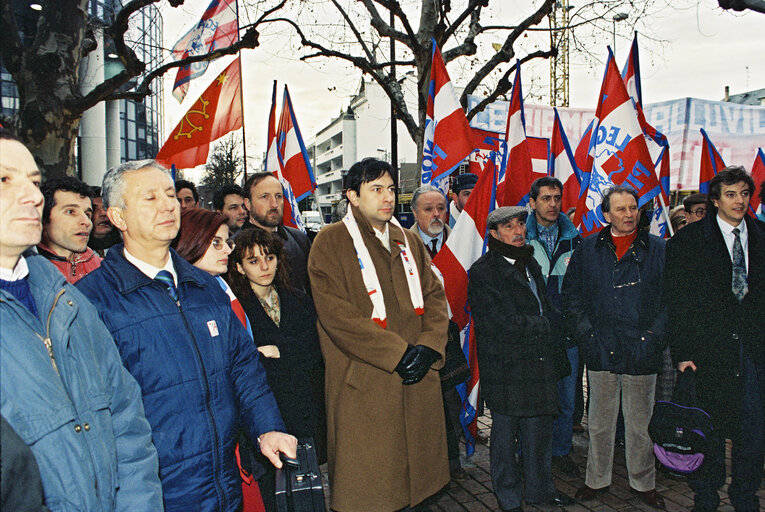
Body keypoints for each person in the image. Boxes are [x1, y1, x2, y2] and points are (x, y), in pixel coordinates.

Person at [76, 159, 296, 512]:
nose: (167, 205)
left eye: (169, 194)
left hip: (223, 484)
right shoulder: (92, 301)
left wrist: (267, 427)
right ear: (118, 217)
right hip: (153, 492)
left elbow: (244, 370)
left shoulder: (207, 287)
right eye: (149, 198)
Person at [0, 129, 163, 510]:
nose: (32, 195)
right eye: (4, 179)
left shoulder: (69, 300)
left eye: (35, 182)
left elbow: (127, 422)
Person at [308, 157, 450, 511]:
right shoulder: (330, 241)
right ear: (352, 197)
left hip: (417, 381)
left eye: (390, 189)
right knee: (372, 490)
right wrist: (398, 354)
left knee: (419, 489)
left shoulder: (407, 240)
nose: (388, 198)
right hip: (366, 385)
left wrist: (429, 348)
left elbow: (434, 297)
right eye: (376, 190)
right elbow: (338, 316)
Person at [665, 166, 764, 512]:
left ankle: (745, 495)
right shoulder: (689, 241)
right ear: (716, 199)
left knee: (752, 431)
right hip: (708, 352)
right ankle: (705, 495)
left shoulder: (762, 235)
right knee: (709, 428)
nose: (739, 201)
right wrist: (682, 353)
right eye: (731, 194)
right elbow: (676, 300)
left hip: (754, 352)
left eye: (744, 194)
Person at [562, 186, 667, 509]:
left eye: (633, 208)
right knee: (600, 421)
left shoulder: (659, 249)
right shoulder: (588, 248)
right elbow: (572, 297)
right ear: (605, 214)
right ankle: (596, 480)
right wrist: (588, 336)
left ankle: (643, 482)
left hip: (642, 349)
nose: (629, 215)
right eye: (620, 209)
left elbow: (671, 301)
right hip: (600, 347)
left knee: (640, 423)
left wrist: (652, 337)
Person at [469, 206, 574, 512]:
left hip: (538, 362)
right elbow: (496, 322)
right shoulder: (484, 271)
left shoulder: (528, 262)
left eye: (520, 224)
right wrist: (546, 325)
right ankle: (509, 497)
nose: (518, 231)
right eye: (509, 227)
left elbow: (544, 305)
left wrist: (555, 323)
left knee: (538, 434)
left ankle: (541, 490)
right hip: (507, 367)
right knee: (504, 438)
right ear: (493, 233)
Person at [172, 207, 265, 512]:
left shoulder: (220, 286)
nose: (227, 249)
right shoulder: (180, 299)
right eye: (216, 243)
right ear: (190, 242)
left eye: (226, 241)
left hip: (235, 433)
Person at [227, 228, 324, 511]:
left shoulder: (297, 297)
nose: (264, 266)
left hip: (300, 406)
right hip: (264, 414)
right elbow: (244, 363)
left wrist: (277, 351)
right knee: (271, 491)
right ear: (239, 267)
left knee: (303, 490)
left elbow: (314, 351)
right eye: (253, 261)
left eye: (269, 257)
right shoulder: (235, 308)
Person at [525, 176, 582, 477]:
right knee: (533, 397)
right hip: (533, 333)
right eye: (546, 198)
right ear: (532, 202)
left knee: (566, 398)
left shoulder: (575, 239)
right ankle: (529, 454)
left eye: (557, 198)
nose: (552, 204)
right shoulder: (519, 235)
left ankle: (560, 451)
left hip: (566, 333)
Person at [241, 172, 311, 293]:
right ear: (248, 204)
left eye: (278, 196)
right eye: (265, 197)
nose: (274, 204)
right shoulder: (235, 246)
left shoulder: (299, 239)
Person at [36, 176, 102, 283]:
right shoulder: (26, 274)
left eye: (87, 214)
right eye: (70, 212)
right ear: (43, 219)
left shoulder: (104, 270)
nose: (86, 222)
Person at [410, 184, 450, 258]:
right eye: (428, 209)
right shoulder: (404, 245)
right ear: (415, 213)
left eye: (441, 208)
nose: (436, 214)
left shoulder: (459, 242)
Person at [88, 186, 121, 256]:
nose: (104, 213)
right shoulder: (73, 255)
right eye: (94, 209)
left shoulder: (128, 250)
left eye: (106, 207)